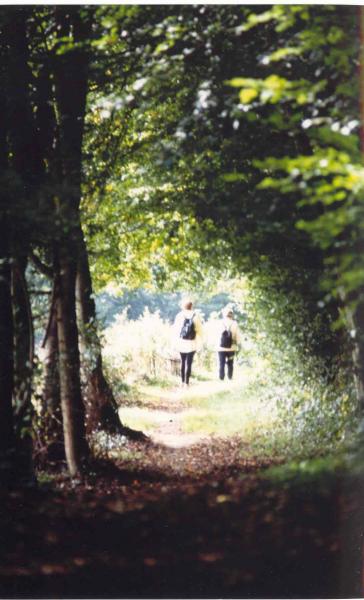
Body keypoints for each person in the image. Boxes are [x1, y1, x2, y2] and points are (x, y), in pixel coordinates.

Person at [173, 298, 203, 387]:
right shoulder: (196, 316)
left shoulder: (179, 315)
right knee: (189, 363)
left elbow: (176, 330)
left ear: (183, 306)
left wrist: (174, 343)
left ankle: (182, 382)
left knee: (183, 362)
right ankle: (186, 383)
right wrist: (201, 341)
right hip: (192, 343)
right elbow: (199, 330)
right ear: (191, 306)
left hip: (181, 342)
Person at [217, 306, 242, 381]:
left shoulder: (220, 322)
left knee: (221, 363)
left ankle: (221, 377)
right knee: (230, 363)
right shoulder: (235, 323)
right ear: (232, 315)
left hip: (221, 347)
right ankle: (230, 377)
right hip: (232, 347)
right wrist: (239, 344)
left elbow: (216, 334)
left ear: (224, 314)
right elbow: (238, 336)